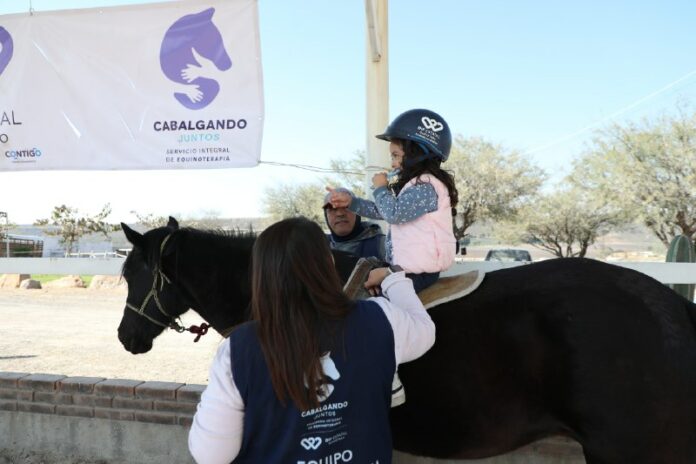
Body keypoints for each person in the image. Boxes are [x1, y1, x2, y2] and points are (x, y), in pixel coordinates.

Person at [188, 217, 435, 464]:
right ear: (329, 262)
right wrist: (393, 279)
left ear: (261, 275)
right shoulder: (382, 317)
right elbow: (424, 331)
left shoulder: (237, 350)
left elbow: (210, 456)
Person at [326, 108, 459, 293]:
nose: (392, 163)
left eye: (395, 155)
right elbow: (383, 210)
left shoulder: (426, 187)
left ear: (416, 154)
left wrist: (381, 188)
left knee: (379, 310)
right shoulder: (415, 187)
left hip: (418, 272)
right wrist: (352, 203)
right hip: (409, 268)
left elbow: (393, 214)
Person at [323, 187, 386, 261]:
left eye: (346, 207)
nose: (340, 214)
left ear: (358, 212)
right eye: (333, 209)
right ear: (326, 215)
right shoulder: (318, 247)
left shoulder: (383, 245)